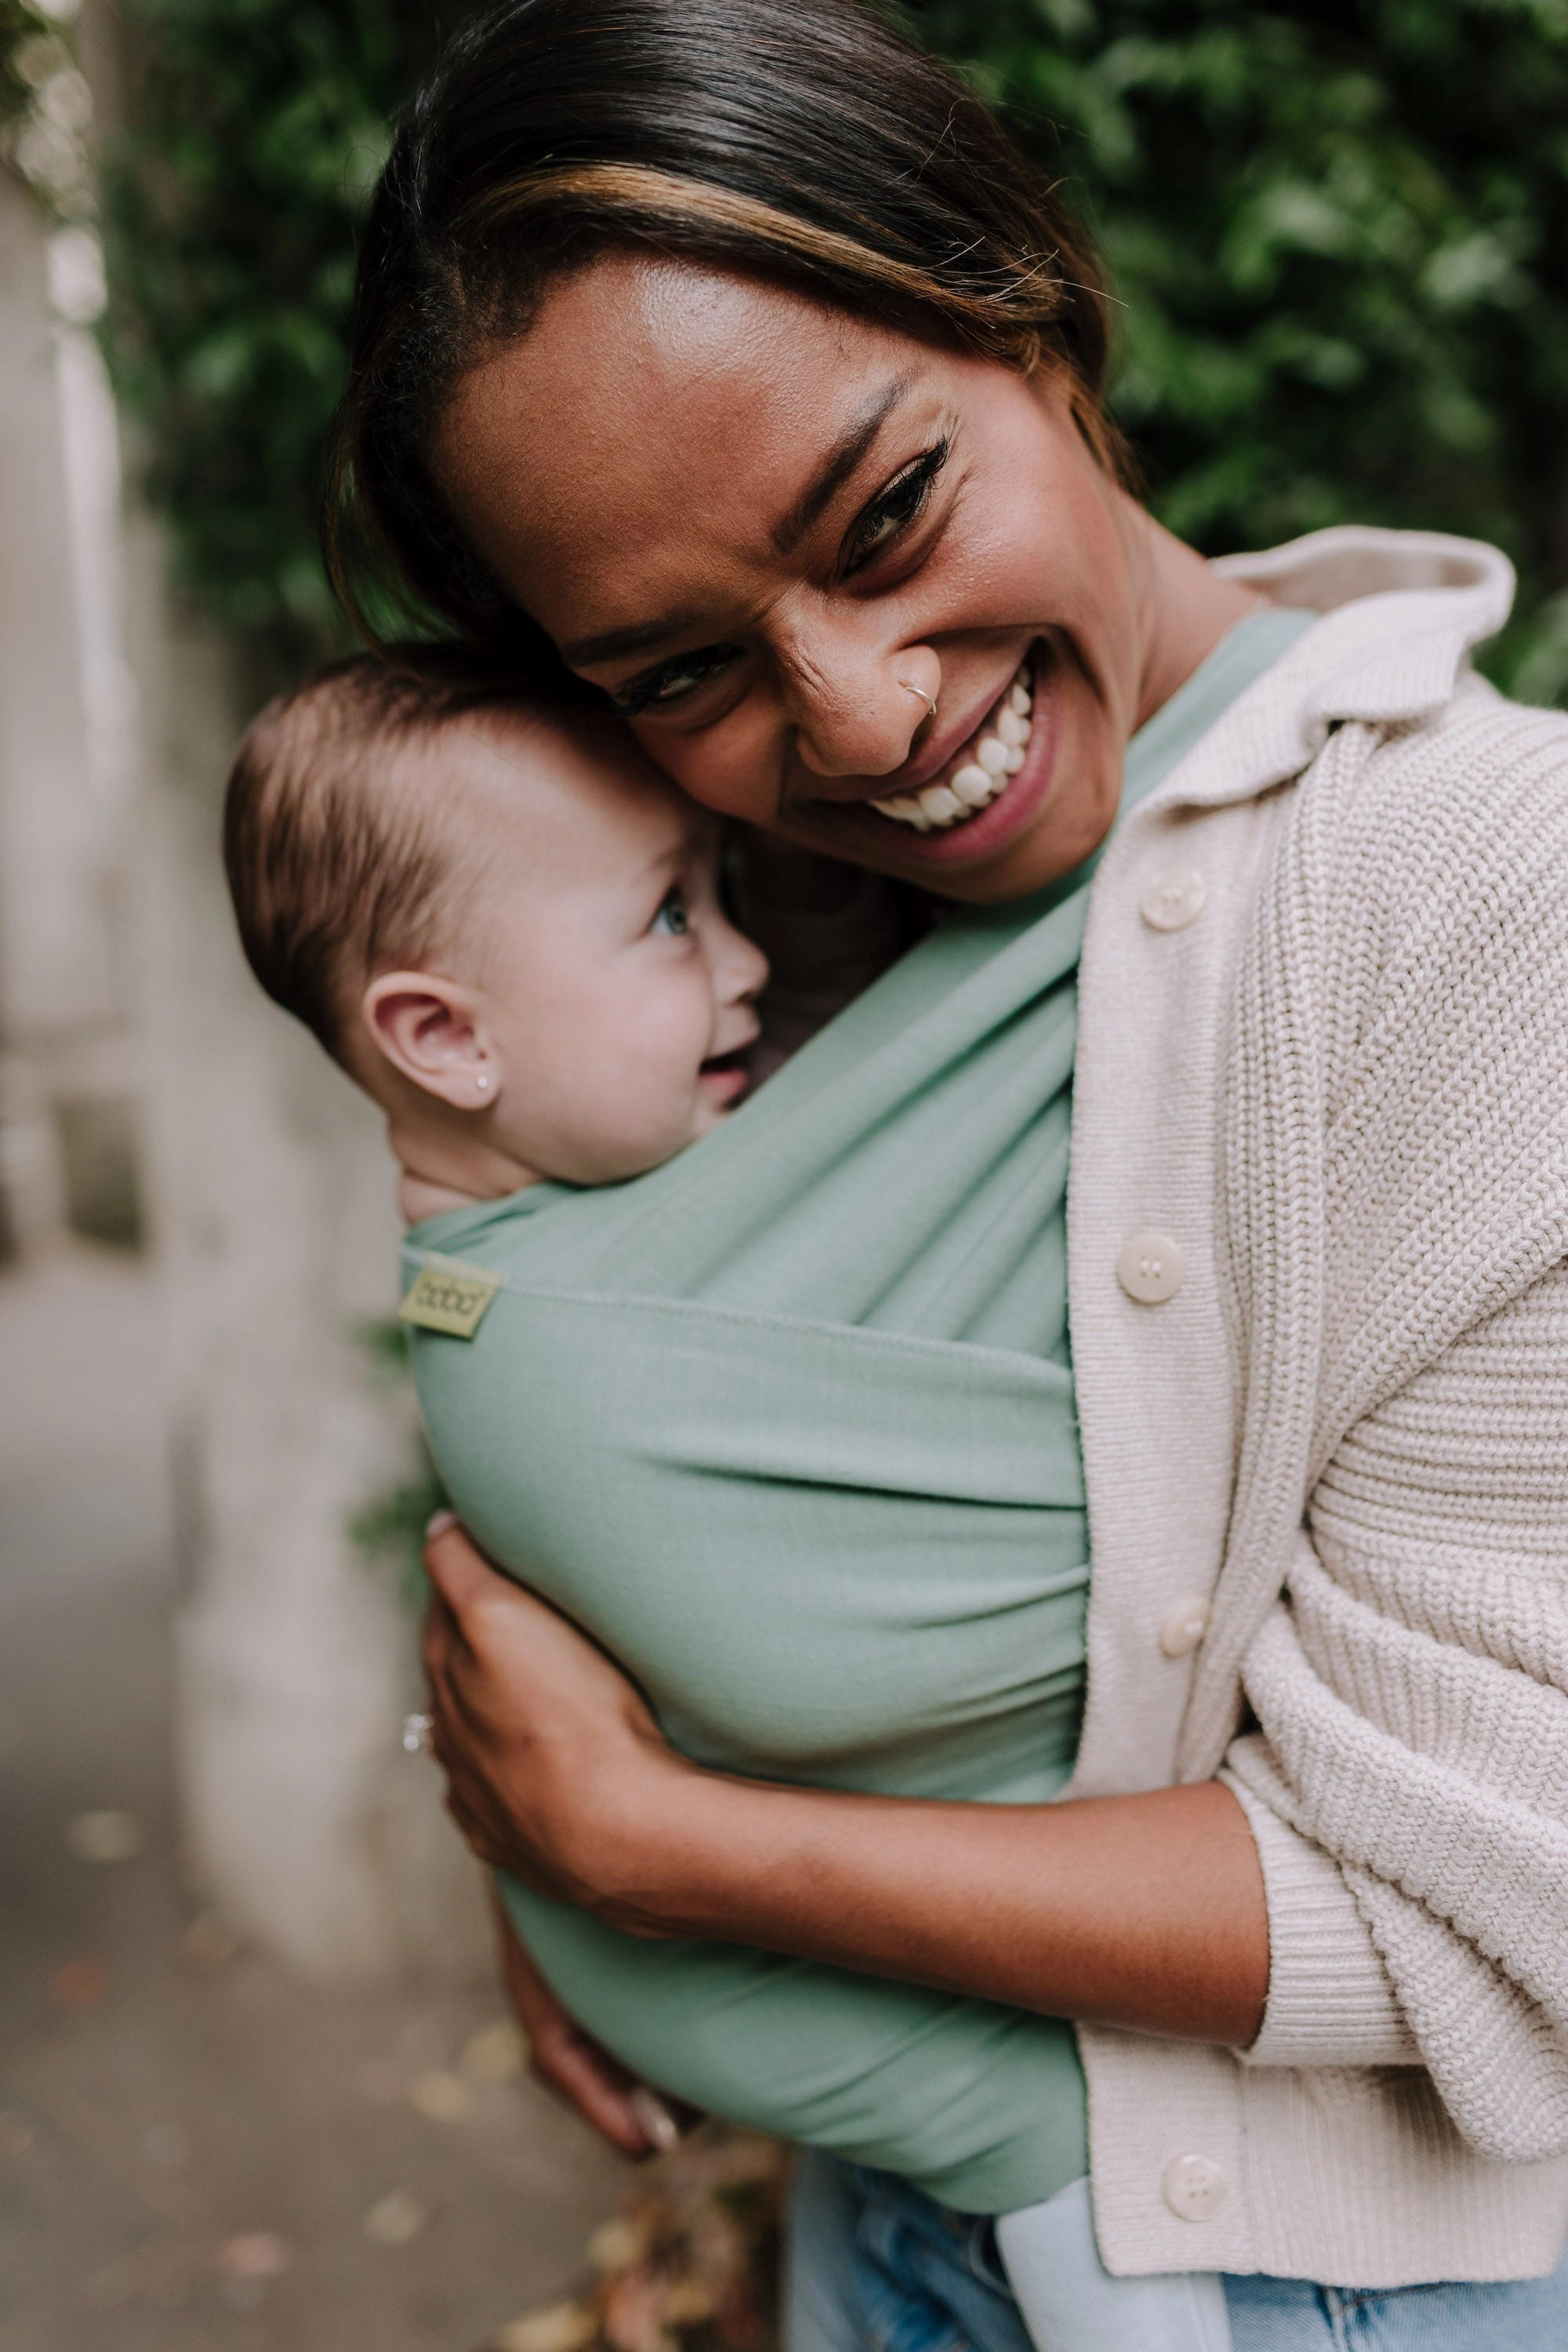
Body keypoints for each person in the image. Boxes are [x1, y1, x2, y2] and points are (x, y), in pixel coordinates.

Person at [324, 2, 1568, 2346]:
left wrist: (641, 1846)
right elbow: (564, 1359)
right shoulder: (773, 927)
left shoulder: (1486, 910)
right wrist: (525, 1751)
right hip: (887, 2241)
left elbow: (1499, 1906)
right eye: (683, 665)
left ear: (1036, 297)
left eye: (887, 514)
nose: (865, 717)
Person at [221, 649, 1246, 2350]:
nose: (750, 962)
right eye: (670, 921)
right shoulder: (569, 1336)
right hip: (1045, 2147)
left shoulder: (533, 1249)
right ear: (441, 1038)